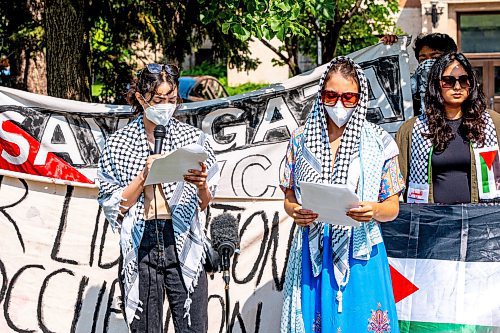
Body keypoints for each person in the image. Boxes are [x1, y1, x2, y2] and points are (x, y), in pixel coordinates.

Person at [280, 57, 405, 332]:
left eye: (348, 97)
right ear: (321, 95)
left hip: (361, 251)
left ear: (360, 99)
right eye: (331, 95)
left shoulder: (379, 141)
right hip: (313, 251)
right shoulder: (300, 140)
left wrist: (373, 210)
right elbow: (289, 195)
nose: (339, 104)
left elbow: (392, 207)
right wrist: (295, 212)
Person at [97, 63, 219, 332]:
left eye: (172, 99)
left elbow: (205, 202)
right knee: (146, 327)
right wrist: (144, 176)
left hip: (184, 240)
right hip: (143, 242)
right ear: (142, 99)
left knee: (193, 326)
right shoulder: (119, 143)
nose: (166, 105)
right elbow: (114, 206)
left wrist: (201, 185)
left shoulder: (193, 138)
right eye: (158, 100)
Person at [396, 52, 500, 204]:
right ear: (436, 84)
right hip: (431, 222)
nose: (457, 87)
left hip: (482, 222)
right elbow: (397, 185)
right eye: (449, 81)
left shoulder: (492, 123)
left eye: (464, 80)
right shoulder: (413, 129)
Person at [382, 33, 458, 116]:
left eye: (435, 57)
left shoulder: (461, 90)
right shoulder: (409, 93)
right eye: (423, 60)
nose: (427, 64)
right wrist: (390, 49)